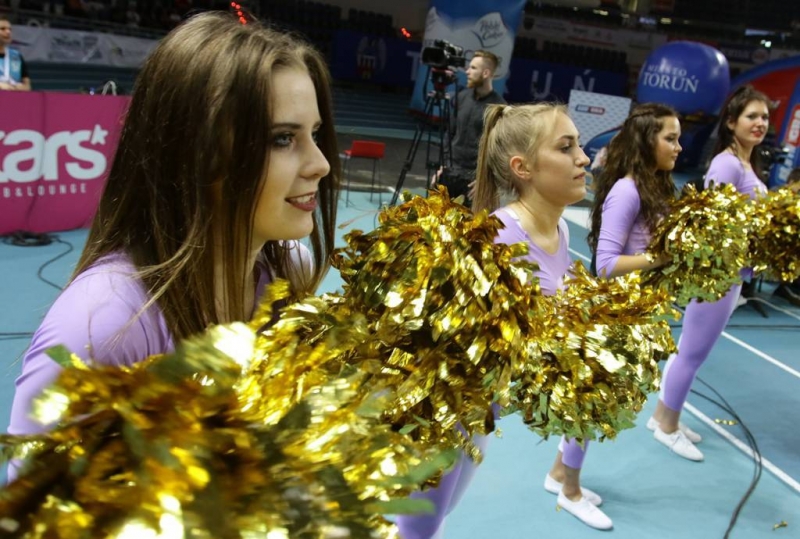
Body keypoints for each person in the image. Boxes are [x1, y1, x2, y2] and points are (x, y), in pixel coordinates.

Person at [7, 12, 339, 459]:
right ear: (195, 152)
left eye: (315, 134)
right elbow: (35, 499)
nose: (321, 164)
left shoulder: (290, 268)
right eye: (282, 139)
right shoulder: (103, 324)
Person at [655, 86, 769, 461]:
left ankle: (666, 414)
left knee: (692, 351)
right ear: (731, 122)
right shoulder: (727, 164)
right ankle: (666, 425)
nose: (760, 123)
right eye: (752, 116)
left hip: (733, 273)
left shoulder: (746, 163)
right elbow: (712, 223)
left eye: (765, 117)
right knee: (692, 352)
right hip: (718, 275)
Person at [587, 103, 704, 460]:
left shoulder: (656, 185)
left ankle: (564, 476)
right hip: (615, 313)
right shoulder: (627, 190)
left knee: (601, 405)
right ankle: (564, 480)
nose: (678, 147)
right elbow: (605, 265)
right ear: (646, 141)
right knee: (589, 404)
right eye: (670, 139)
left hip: (640, 310)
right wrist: (661, 258)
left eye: (678, 139)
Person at [436, 50, 506, 205]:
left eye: (473, 68)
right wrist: (442, 165)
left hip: (473, 183)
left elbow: (500, 150)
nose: (467, 72)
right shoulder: (461, 97)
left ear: (486, 73)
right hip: (449, 173)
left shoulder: (499, 107)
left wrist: (487, 180)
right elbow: (449, 133)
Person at [771, 167, 800, 306]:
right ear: (791, 182)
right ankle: (786, 286)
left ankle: (790, 286)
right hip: (772, 241)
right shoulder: (775, 194)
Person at [0, 15, 32, 91]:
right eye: (2, 29)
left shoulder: (17, 56)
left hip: (14, 97)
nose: (8, 32)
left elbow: (28, 86)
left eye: (10, 29)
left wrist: (20, 87)